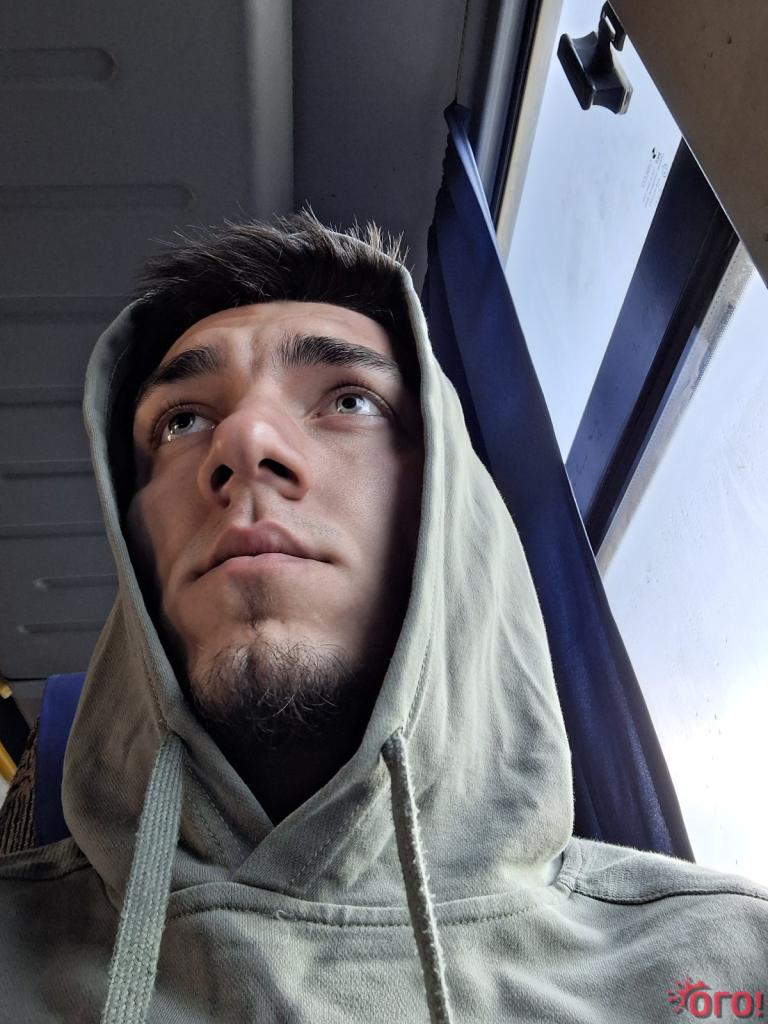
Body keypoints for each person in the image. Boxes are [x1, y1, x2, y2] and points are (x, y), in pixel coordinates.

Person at [0, 213, 765, 1023]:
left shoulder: (727, 967)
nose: (244, 440)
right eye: (182, 421)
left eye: (350, 400)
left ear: (448, 512)